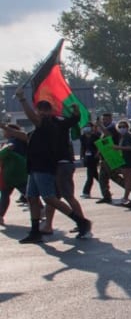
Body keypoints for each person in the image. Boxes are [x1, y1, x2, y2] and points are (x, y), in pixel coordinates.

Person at [15, 92, 92, 243]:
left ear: (50, 112)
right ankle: (36, 231)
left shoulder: (48, 124)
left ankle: (81, 221)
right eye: (40, 109)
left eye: (45, 109)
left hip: (46, 165)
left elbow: (35, 118)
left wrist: (23, 99)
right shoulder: (40, 127)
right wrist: (4, 126)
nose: (42, 112)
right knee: (32, 198)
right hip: (35, 166)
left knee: (51, 198)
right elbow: (25, 136)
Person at [1, 123, 29, 226]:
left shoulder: (12, 143)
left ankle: (40, 210)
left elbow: (2, 155)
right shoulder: (18, 141)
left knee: (5, 195)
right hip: (17, 173)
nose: (4, 132)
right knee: (26, 193)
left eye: (5, 131)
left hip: (12, 174)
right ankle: (40, 210)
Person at [80, 122, 101, 198]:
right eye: (85, 126)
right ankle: (105, 190)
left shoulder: (95, 136)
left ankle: (86, 192)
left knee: (90, 175)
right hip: (87, 158)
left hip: (94, 157)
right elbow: (83, 147)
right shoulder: (82, 137)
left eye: (88, 126)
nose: (87, 128)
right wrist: (81, 157)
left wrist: (97, 154)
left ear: (92, 127)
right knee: (95, 175)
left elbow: (99, 146)